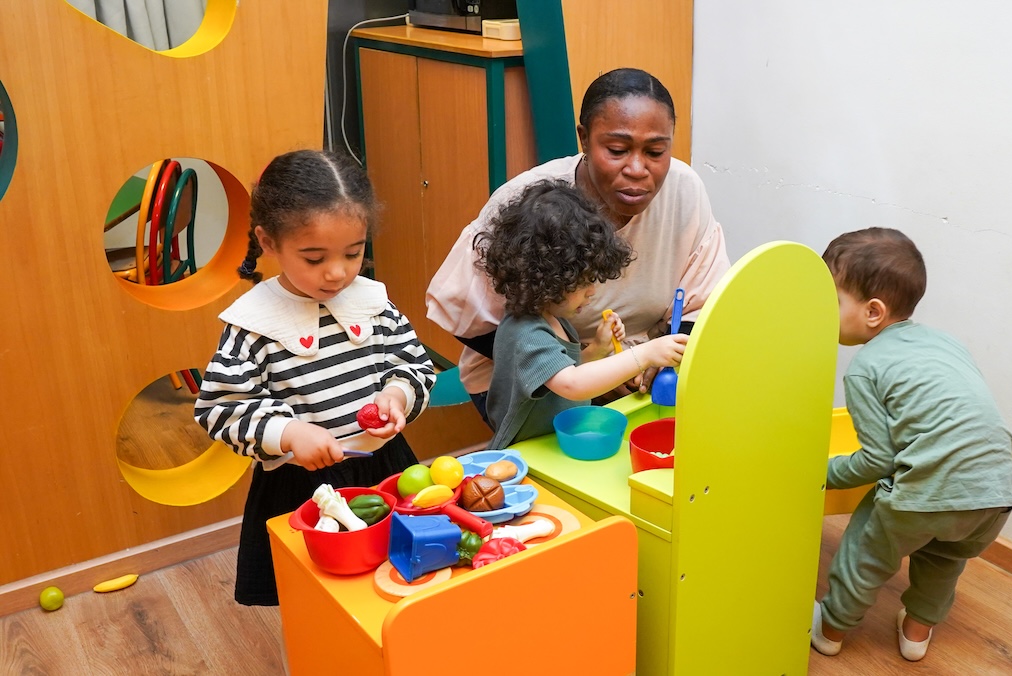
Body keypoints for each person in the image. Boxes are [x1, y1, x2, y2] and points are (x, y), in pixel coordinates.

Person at [194, 150, 436, 606]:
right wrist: (288, 433)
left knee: (400, 575)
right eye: (314, 257)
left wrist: (398, 394)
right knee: (315, 597)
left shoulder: (373, 303)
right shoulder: (253, 324)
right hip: (300, 487)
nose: (338, 272)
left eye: (353, 253)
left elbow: (414, 364)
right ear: (268, 242)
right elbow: (222, 410)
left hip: (385, 467)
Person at [427, 68, 729, 424]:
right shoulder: (531, 203)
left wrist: (658, 362)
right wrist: (596, 374)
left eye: (656, 151)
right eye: (617, 150)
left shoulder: (684, 190)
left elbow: (701, 303)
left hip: (634, 369)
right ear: (584, 139)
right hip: (530, 388)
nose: (637, 168)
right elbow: (464, 312)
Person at [811, 227, 1012, 661]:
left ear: (873, 312)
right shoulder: (946, 343)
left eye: (830, 302)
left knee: (864, 554)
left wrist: (820, 474)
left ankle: (829, 632)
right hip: (996, 487)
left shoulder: (866, 366)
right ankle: (916, 633)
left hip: (928, 488)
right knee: (943, 559)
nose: (820, 312)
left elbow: (877, 459)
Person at [474, 179, 688, 448]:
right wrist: (644, 355)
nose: (591, 292)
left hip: (558, 445)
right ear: (547, 277)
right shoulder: (526, 332)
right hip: (526, 454)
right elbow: (572, 384)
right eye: (582, 282)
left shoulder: (553, 318)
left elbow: (564, 370)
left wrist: (597, 348)